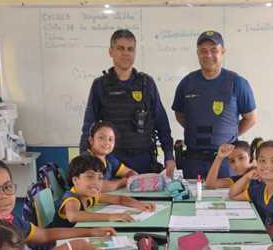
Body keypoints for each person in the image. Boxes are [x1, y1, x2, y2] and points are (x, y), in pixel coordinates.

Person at [79, 29, 175, 177]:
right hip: (111, 162)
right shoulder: (100, 85)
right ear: (111, 52)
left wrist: (169, 156)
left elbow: (162, 123)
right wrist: (84, 161)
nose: (126, 53)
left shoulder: (146, 83)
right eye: (120, 48)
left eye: (130, 49)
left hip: (144, 160)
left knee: (147, 201)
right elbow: (89, 127)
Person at [172, 30, 256, 179]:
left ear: (222, 52)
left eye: (214, 50)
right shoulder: (187, 83)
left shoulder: (237, 83)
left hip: (226, 161)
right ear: (197, 53)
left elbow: (250, 119)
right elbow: (179, 114)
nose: (208, 55)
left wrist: (230, 135)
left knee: (227, 200)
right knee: (193, 199)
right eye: (203, 51)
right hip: (193, 160)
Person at [52, 155, 155, 226]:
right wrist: (111, 216)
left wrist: (140, 205)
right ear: (75, 180)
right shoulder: (71, 198)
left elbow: (119, 199)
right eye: (90, 176)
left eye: (100, 178)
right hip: (56, 244)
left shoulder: (90, 195)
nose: (96, 182)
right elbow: (73, 216)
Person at [86, 120, 137, 191]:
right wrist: (124, 181)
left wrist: (132, 175)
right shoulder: (86, 160)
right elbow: (98, 186)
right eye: (101, 138)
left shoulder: (109, 159)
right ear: (91, 140)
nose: (106, 142)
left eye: (110, 139)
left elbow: (129, 172)